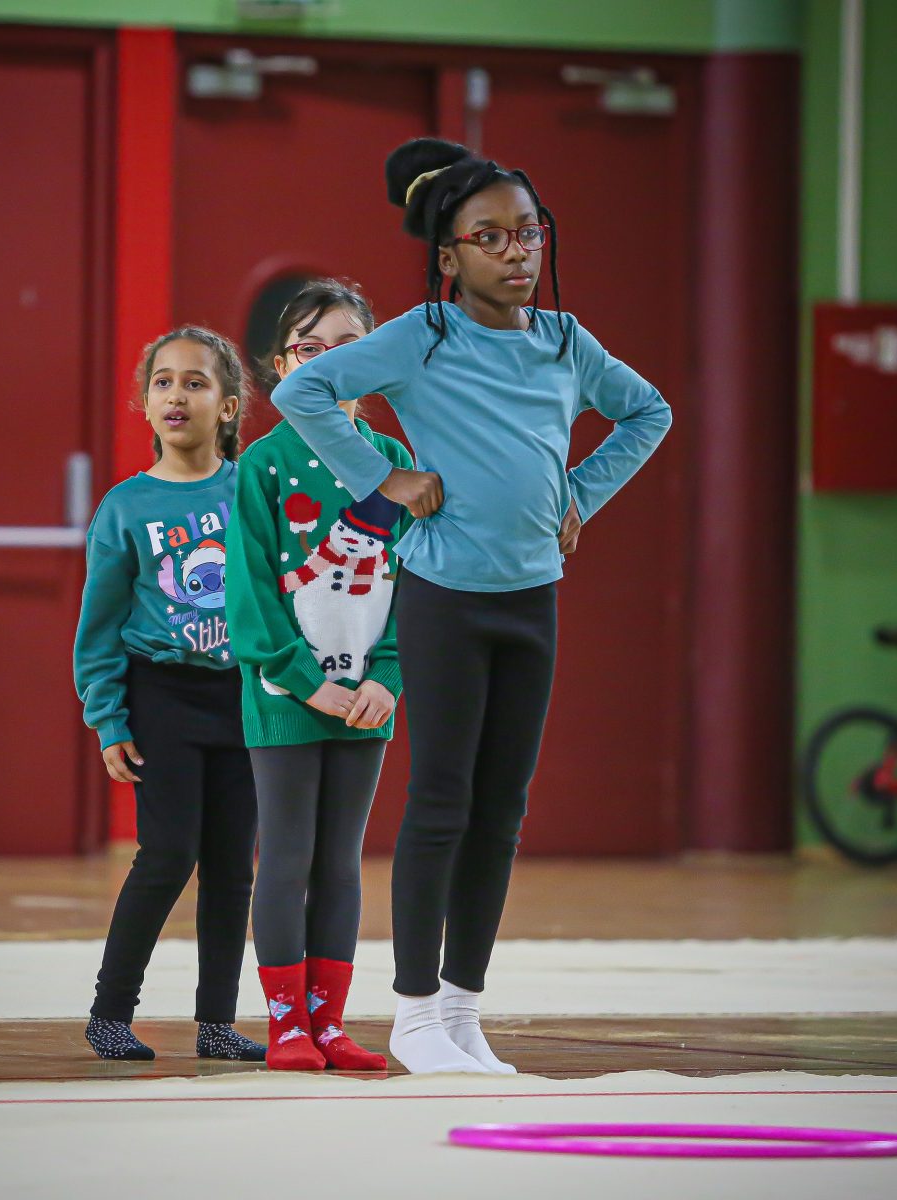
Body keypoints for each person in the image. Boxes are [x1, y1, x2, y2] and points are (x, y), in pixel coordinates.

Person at [269, 139, 673, 1074]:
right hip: (446, 597)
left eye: (528, 232)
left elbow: (647, 411)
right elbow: (304, 389)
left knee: (502, 811)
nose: (515, 251)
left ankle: (461, 1012)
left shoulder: (566, 342)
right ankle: (413, 1014)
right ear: (449, 257)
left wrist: (580, 494)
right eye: (489, 237)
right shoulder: (424, 335)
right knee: (442, 802)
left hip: (532, 600)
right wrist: (383, 479)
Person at [225, 279, 413, 1071]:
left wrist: (388, 676)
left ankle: (329, 1024)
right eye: (310, 349)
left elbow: (419, 582)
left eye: (348, 348)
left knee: (341, 860)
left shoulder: (396, 464)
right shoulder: (263, 465)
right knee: (288, 855)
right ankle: (287, 1027)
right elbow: (249, 595)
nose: (329, 363)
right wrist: (304, 680)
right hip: (287, 697)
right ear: (280, 367)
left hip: (367, 699)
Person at [74, 326, 264, 1063]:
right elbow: (99, 627)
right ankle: (110, 1012)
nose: (176, 394)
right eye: (163, 382)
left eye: (195, 382)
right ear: (146, 404)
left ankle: (216, 1023)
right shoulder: (126, 507)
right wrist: (108, 717)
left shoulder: (253, 490)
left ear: (227, 406)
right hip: (161, 695)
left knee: (232, 866)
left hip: (243, 696)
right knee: (167, 853)